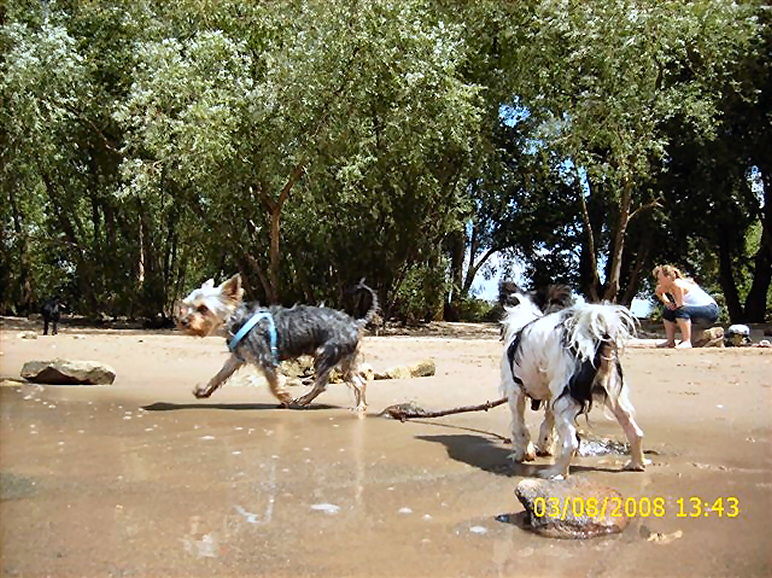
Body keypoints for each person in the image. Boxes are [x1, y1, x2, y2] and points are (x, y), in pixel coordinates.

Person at [653, 264, 719, 348]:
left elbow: (680, 305)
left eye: (660, 278)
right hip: (698, 310)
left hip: (710, 310)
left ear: (668, 277)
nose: (659, 281)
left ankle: (687, 341)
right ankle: (670, 341)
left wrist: (673, 306)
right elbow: (659, 292)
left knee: (681, 311)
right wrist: (668, 303)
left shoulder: (678, 285)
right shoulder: (669, 286)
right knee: (667, 311)